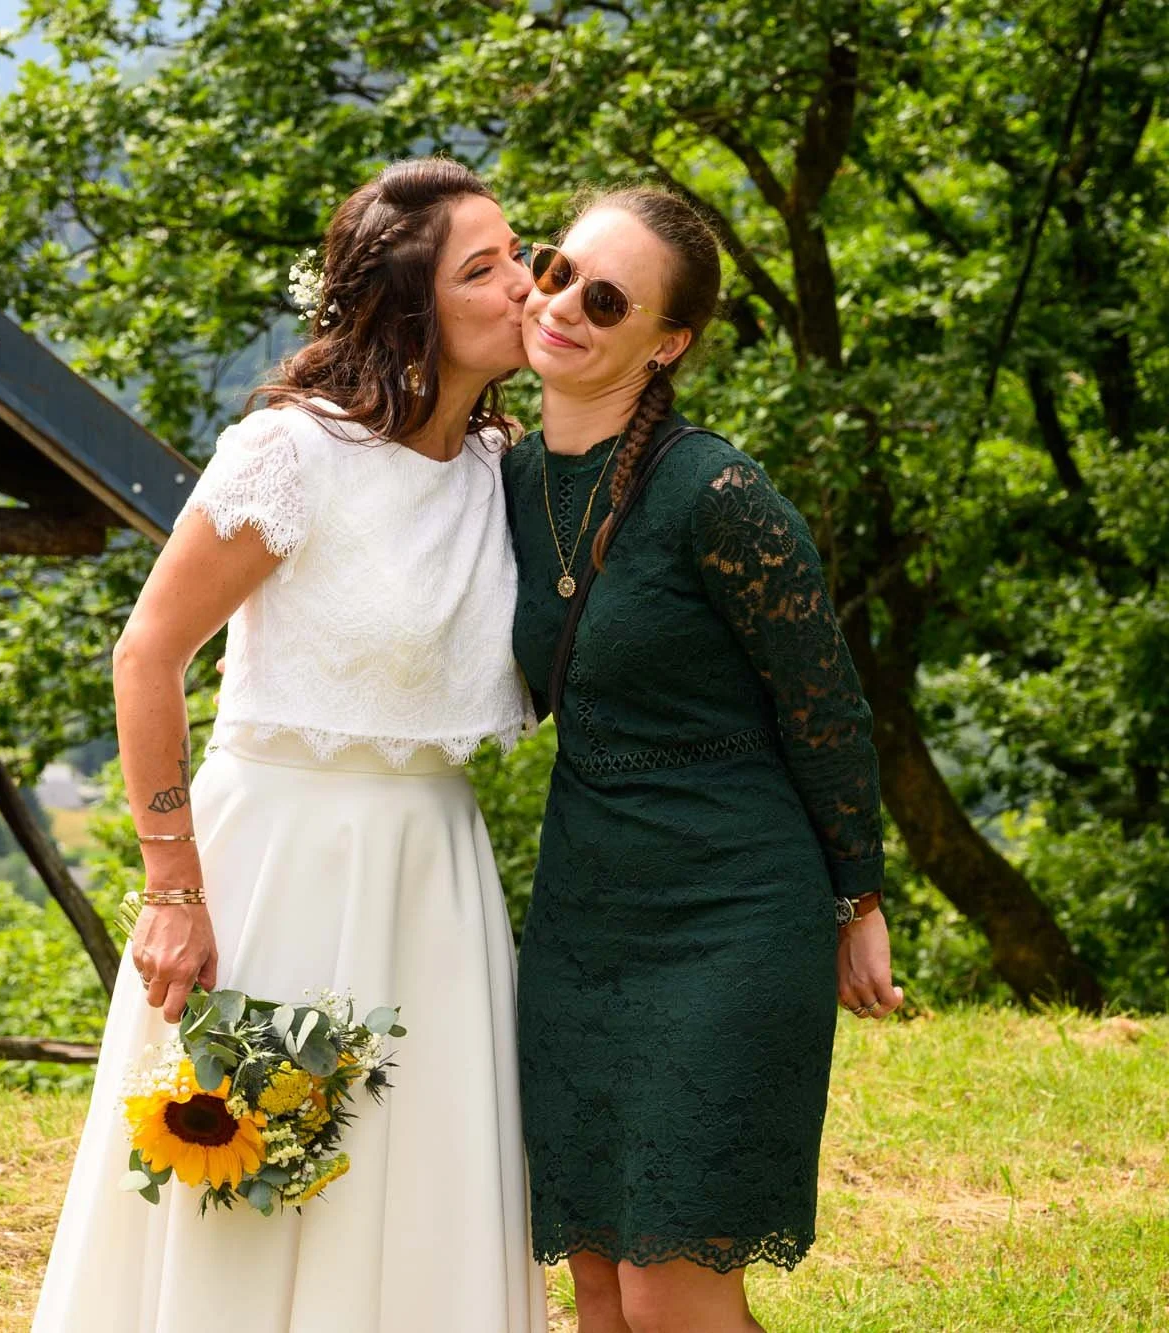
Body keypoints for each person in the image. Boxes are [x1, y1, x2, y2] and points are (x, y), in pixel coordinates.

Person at [33, 159, 547, 1331]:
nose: (523, 284)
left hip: (434, 874)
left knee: (422, 1186)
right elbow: (145, 653)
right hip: (275, 864)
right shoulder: (292, 454)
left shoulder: (498, 470)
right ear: (408, 309)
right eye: (484, 268)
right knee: (249, 1197)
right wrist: (170, 887)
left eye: (518, 252)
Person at [501, 188, 900, 1333]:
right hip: (582, 910)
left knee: (668, 1287)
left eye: (606, 297)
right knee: (593, 1281)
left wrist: (855, 896)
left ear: (664, 342)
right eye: (554, 267)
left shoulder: (716, 493)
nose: (562, 303)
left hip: (730, 908)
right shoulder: (507, 481)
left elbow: (822, 701)